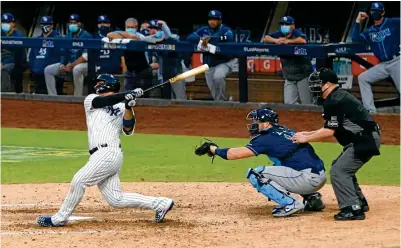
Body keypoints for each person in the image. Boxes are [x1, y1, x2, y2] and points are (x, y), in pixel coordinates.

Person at [36, 74, 174, 227]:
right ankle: (161, 203)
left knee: (79, 180)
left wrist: (128, 105)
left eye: (100, 82)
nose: (97, 84)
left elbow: (128, 129)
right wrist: (128, 94)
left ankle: (59, 219)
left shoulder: (122, 106)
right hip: (99, 155)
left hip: (109, 153)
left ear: (108, 84)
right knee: (116, 199)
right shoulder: (91, 100)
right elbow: (105, 101)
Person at [195, 107, 326, 217]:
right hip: (318, 175)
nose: (254, 124)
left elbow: (234, 154)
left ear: (267, 123)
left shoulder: (265, 138)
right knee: (278, 162)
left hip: (307, 179)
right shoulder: (284, 130)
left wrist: (214, 150)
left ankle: (290, 203)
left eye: (257, 121)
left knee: (256, 174)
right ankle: (312, 198)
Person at [292, 68, 381, 221]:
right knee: (341, 166)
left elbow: (329, 131)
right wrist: (309, 133)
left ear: (326, 84)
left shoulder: (334, 100)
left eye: (316, 83)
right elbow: (331, 126)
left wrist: (307, 139)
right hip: (364, 137)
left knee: (339, 171)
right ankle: (359, 201)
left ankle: (352, 209)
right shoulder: (337, 97)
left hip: (364, 139)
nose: (313, 87)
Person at [351, 2, 400, 113]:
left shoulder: (392, 22)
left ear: (383, 12)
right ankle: (370, 111)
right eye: (373, 11)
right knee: (363, 78)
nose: (375, 13)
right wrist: (358, 21)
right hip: (383, 65)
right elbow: (355, 38)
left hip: (397, 61)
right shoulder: (370, 31)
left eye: (377, 11)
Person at [187, 10, 237, 101]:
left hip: (224, 61)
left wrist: (209, 40)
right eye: (210, 19)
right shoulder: (204, 29)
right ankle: (220, 101)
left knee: (218, 76)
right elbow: (190, 38)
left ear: (220, 20)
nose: (212, 21)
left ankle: (223, 101)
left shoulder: (225, 29)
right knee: (212, 86)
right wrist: (205, 41)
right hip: (209, 63)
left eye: (215, 19)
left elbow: (229, 37)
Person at [264, 16, 313, 105]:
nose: (284, 26)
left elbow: (303, 40)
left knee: (307, 104)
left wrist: (288, 41)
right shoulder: (279, 34)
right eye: (282, 24)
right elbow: (266, 38)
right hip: (289, 77)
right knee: (289, 104)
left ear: (293, 26)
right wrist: (276, 40)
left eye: (287, 24)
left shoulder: (296, 33)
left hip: (303, 75)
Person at [44, 14, 92, 96]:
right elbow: (64, 53)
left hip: (85, 65)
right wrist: (63, 64)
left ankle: (77, 97)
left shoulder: (86, 35)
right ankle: (52, 97)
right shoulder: (68, 36)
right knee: (48, 70)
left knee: (77, 69)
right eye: (71, 23)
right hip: (70, 64)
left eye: (75, 23)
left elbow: (85, 57)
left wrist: (71, 65)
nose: (72, 25)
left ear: (79, 24)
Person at [107, 18, 159, 95]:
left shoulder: (141, 37)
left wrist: (126, 35)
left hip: (143, 71)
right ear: (125, 27)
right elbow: (109, 34)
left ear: (137, 28)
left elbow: (134, 38)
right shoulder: (124, 37)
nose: (130, 29)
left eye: (132, 27)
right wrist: (126, 34)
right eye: (128, 27)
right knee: (128, 97)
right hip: (130, 71)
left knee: (144, 96)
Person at [149, 19, 187, 100]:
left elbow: (170, 37)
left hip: (176, 73)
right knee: (168, 100)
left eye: (156, 29)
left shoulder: (174, 36)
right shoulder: (153, 41)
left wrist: (164, 26)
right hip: (165, 74)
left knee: (180, 99)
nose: (153, 31)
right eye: (151, 29)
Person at [29, 16, 61, 94]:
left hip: (50, 73)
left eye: (47, 24)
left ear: (52, 25)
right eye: (43, 24)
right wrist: (33, 68)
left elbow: (58, 57)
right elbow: (31, 57)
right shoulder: (37, 40)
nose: (45, 27)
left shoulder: (58, 38)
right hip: (36, 73)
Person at [1, 13, 26, 93]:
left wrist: (3, 64)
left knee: (4, 69)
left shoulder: (18, 35)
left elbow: (18, 56)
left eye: (8, 22)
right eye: (3, 22)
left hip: (16, 63)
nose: (5, 24)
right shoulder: (2, 34)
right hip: (3, 61)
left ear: (13, 23)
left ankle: (5, 93)